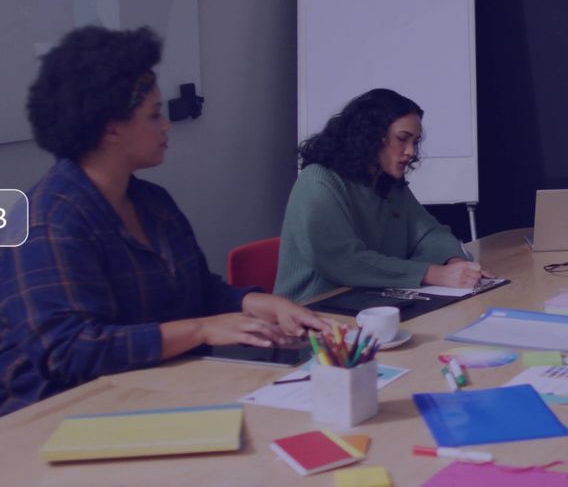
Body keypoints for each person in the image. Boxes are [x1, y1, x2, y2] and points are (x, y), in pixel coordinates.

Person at [0, 26, 328, 416]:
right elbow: (72, 352)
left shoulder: (153, 202)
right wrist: (202, 329)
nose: (167, 125)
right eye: (155, 115)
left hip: (155, 395)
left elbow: (198, 293)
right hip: (59, 420)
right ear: (111, 128)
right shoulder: (47, 222)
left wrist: (262, 304)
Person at [274, 89, 491, 303]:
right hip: (312, 313)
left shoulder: (388, 183)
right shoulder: (319, 181)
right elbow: (344, 262)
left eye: (414, 142)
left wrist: (453, 262)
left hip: (366, 302)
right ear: (370, 136)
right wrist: (434, 273)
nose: (411, 152)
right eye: (402, 139)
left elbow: (429, 234)